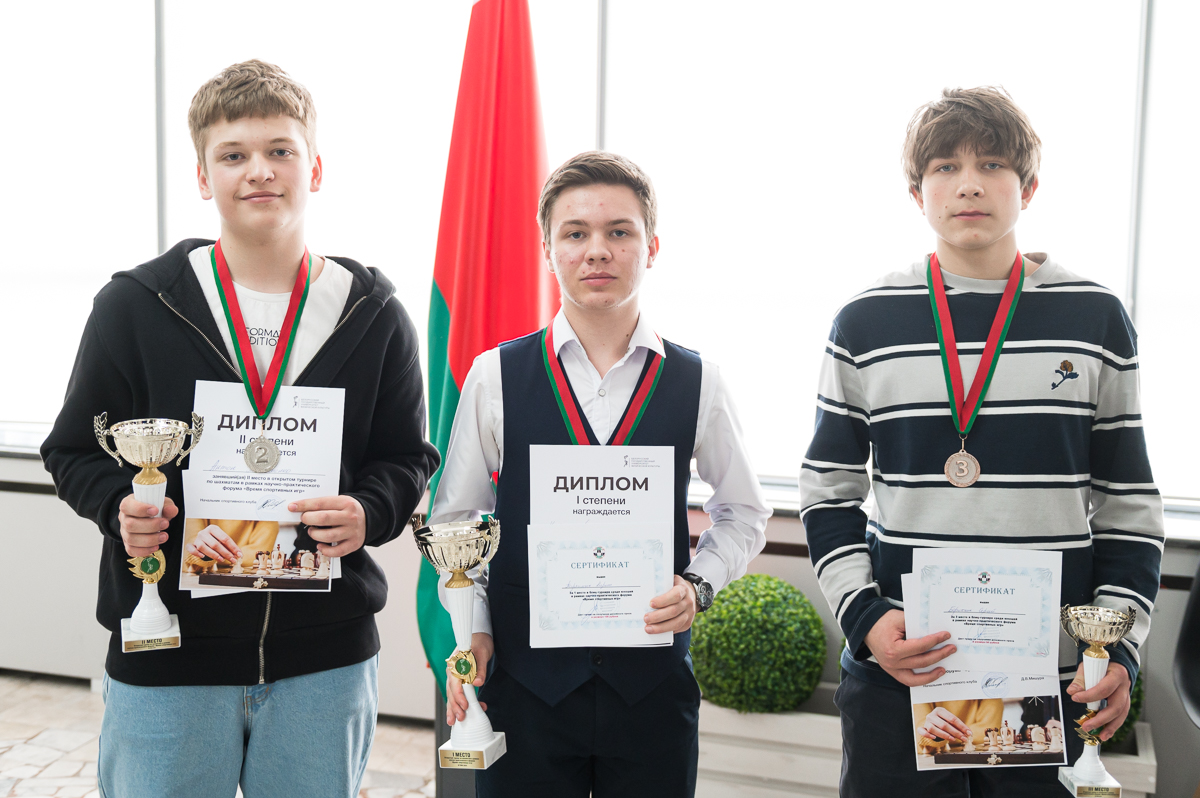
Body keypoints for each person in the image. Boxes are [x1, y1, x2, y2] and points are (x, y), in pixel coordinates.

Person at [40, 60, 439, 798]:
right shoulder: (135, 306)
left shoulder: (373, 312)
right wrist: (119, 506)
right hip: (169, 651)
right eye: (233, 155)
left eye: (280, 150)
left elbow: (406, 456)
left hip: (324, 661)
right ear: (203, 177)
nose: (259, 171)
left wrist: (368, 511)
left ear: (314, 168)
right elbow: (71, 449)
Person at [799, 86, 1163, 796]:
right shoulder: (864, 322)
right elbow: (827, 490)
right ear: (917, 193)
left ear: (1029, 187)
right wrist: (866, 618)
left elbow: (1128, 504)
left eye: (992, 164)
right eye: (945, 167)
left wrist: (1116, 648)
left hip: (1052, 680)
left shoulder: (1094, 317)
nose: (969, 183)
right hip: (903, 672)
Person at [429, 151, 770, 797]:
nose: (597, 251)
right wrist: (473, 628)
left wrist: (699, 585)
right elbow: (454, 522)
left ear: (652, 246)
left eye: (619, 232)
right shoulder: (495, 377)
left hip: (652, 691)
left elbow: (745, 511)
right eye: (575, 233)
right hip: (525, 685)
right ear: (547, 249)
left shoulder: (699, 381)